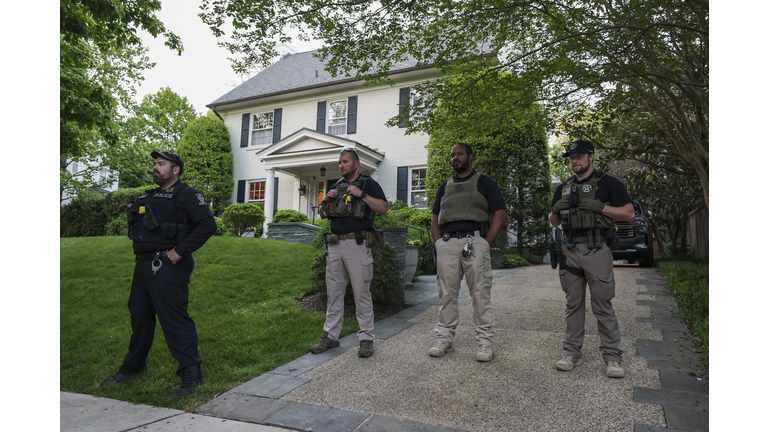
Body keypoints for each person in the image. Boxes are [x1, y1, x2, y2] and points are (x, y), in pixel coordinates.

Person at [100, 151, 217, 397]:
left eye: (161, 164)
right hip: (143, 266)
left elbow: (207, 224)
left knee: (174, 319)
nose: (155, 167)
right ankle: (134, 365)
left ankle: (191, 371)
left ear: (175, 170)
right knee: (139, 316)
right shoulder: (150, 196)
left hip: (169, 265)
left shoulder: (188, 194)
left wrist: (180, 251)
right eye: (154, 163)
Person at [548, 140, 635, 378]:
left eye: (579, 156)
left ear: (591, 157)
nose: (574, 161)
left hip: (597, 250)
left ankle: (612, 357)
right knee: (572, 304)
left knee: (602, 304)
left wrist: (600, 207)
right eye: (571, 157)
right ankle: (571, 352)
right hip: (570, 249)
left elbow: (628, 213)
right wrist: (555, 209)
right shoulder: (564, 187)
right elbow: (553, 221)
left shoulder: (608, 183)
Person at [429, 143, 506, 362]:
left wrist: (485, 242)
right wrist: (438, 244)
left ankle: (484, 342)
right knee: (446, 294)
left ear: (470, 157)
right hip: (447, 242)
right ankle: (444, 339)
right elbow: (435, 218)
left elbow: (499, 213)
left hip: (473, 240)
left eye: (459, 154)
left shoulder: (484, 182)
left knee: (479, 292)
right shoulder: (444, 186)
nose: (455, 157)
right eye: (452, 155)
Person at [312, 147, 388, 358]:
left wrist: (361, 194)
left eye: (345, 162)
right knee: (334, 293)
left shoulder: (369, 184)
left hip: (358, 245)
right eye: (340, 162)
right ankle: (330, 336)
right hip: (335, 246)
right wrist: (326, 200)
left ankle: (366, 339)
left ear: (356, 165)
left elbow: (383, 208)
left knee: (361, 293)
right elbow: (323, 216)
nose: (341, 165)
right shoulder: (336, 186)